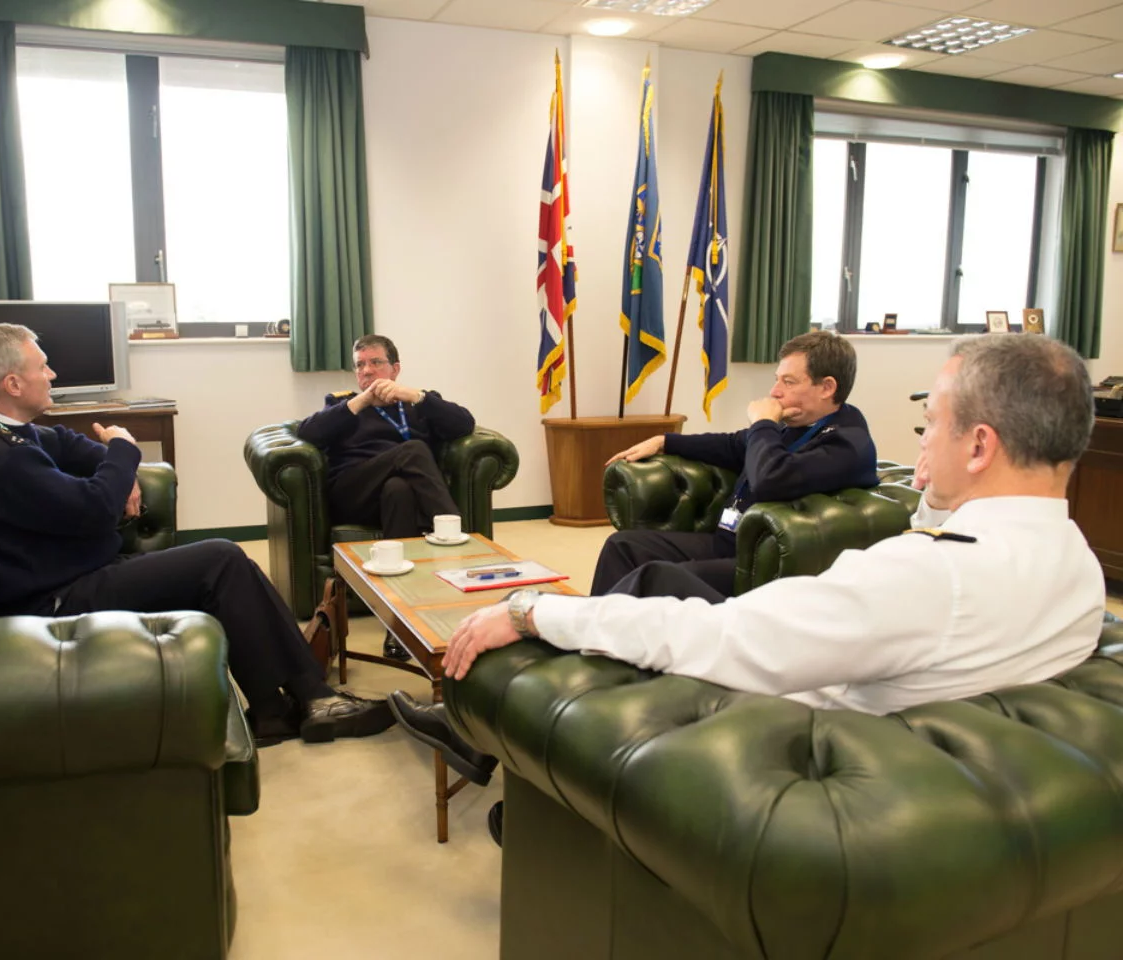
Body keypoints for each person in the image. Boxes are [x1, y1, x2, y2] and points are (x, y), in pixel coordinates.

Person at [399, 334, 1105, 842]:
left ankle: (513, 759)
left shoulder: (928, 578)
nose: (919, 444)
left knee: (640, 614)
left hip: (780, 741)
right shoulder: (1078, 568)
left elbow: (726, 639)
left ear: (979, 445)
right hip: (890, 718)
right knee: (647, 577)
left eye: (931, 427)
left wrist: (532, 612)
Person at [0, 324, 394, 748]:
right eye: (42, 366)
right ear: (13, 384)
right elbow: (96, 508)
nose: (52, 374)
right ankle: (314, 698)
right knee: (221, 558)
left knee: (227, 569)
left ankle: (277, 711)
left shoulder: (2, 432)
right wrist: (123, 447)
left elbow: (70, 445)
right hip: (55, 600)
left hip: (75, 574)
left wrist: (122, 473)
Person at [591, 331, 878, 597]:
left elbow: (771, 480)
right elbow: (733, 444)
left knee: (661, 577)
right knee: (623, 546)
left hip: (763, 567)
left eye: (788, 382)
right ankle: (593, 628)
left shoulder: (847, 444)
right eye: (777, 379)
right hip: (728, 543)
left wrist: (764, 422)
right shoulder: (795, 422)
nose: (775, 391)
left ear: (827, 387)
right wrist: (665, 441)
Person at [298, 334, 475, 660]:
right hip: (354, 492)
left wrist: (417, 396)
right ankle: (456, 540)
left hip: (396, 500)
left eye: (376, 363)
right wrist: (359, 403)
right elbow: (307, 432)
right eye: (360, 365)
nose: (367, 371)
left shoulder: (418, 403)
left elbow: (465, 424)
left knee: (399, 490)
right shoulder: (343, 404)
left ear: (395, 369)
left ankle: (398, 626)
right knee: (413, 450)